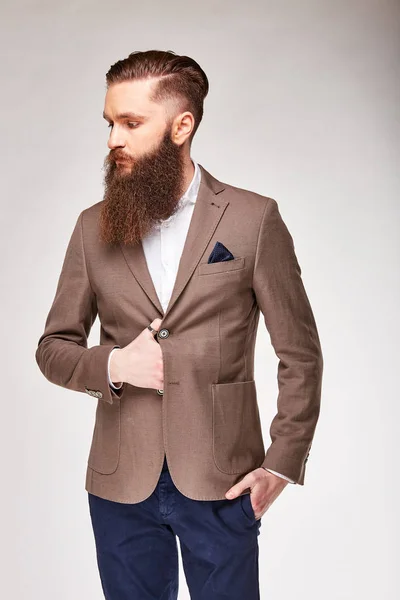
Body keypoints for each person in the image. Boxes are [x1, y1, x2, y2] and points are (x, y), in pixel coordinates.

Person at [35, 49, 323, 600]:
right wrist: (115, 364)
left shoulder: (252, 218)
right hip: (120, 484)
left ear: (181, 126)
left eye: (131, 123)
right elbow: (53, 347)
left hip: (223, 480)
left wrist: (282, 465)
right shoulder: (91, 227)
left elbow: (301, 354)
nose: (113, 139)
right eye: (110, 123)